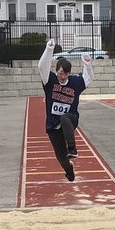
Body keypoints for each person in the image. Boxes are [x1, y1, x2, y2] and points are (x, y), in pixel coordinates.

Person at [38, 38, 94, 182]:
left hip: (71, 119)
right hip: (53, 124)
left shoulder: (75, 82)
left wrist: (87, 64)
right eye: (60, 73)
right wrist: (49, 49)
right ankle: (68, 169)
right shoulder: (50, 81)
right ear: (56, 71)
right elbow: (42, 67)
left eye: (65, 74)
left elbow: (88, 78)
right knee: (61, 158)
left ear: (69, 73)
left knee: (65, 117)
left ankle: (72, 149)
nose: (62, 77)